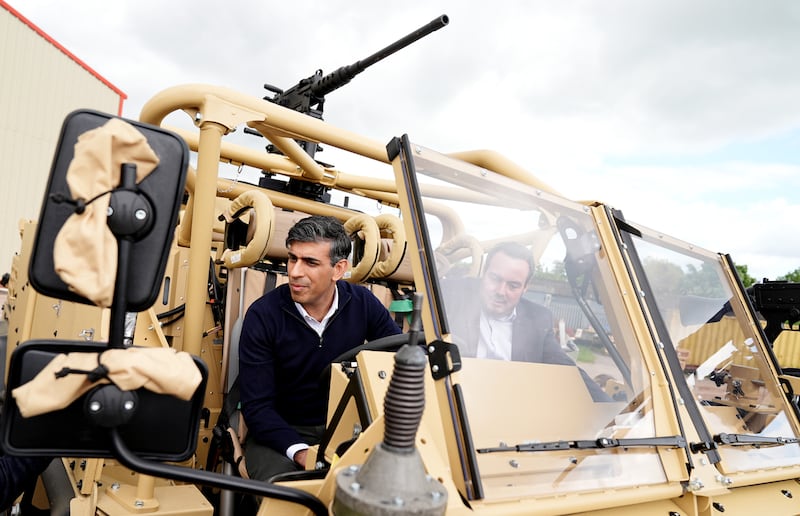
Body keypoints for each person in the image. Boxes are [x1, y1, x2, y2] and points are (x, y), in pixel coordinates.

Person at [238, 215, 402, 481]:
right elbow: (257, 407)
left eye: (310, 262)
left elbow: (398, 355)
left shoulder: (363, 303)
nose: (294, 272)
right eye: (293, 258)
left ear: (338, 269)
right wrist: (301, 452)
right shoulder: (263, 315)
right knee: (289, 499)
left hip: (348, 429)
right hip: (279, 434)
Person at [442, 241, 611, 402]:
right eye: (495, 278)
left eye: (513, 285)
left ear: (525, 287)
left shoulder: (538, 320)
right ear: (484, 273)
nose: (501, 291)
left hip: (509, 413)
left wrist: (616, 413)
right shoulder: (448, 296)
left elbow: (568, 371)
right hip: (451, 407)